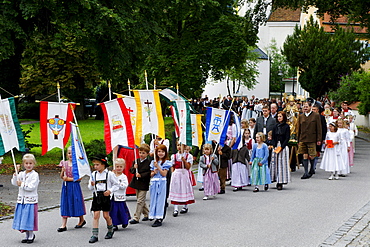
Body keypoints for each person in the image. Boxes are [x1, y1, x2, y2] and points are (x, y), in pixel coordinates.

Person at [88, 155, 119, 243]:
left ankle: (110, 229)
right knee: (96, 215)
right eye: (94, 165)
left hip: (105, 196)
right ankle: (95, 235)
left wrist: (110, 190)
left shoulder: (109, 174)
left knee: (106, 216)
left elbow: (116, 185)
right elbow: (90, 188)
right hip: (97, 196)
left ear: (103, 165)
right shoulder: (93, 174)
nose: (95, 167)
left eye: (97, 165)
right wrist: (92, 185)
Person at [11, 154, 39, 244]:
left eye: (30, 163)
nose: (28, 165)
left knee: (29, 218)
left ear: (34, 164)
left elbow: (31, 187)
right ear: (24, 164)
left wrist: (22, 184)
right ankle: (26, 235)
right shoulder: (21, 174)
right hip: (21, 200)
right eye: (26, 163)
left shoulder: (35, 175)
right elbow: (15, 183)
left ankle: (31, 235)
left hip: (30, 200)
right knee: (23, 218)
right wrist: (16, 174)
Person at [57, 147, 86, 232]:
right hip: (66, 187)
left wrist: (69, 179)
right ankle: (64, 224)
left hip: (75, 186)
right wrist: (63, 171)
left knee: (77, 201)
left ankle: (81, 219)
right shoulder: (64, 163)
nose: (70, 155)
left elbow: (79, 178)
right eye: (69, 153)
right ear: (66, 154)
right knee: (65, 202)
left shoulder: (77, 164)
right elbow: (62, 177)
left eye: (72, 153)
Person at [296, 101, 322, 179]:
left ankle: (312, 169)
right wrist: (298, 140)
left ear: (310, 107)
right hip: (303, 138)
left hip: (312, 138)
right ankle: (306, 172)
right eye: (304, 106)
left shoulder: (316, 116)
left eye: (307, 106)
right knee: (304, 154)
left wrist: (319, 139)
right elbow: (299, 128)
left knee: (312, 155)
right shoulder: (301, 116)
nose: (305, 108)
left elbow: (319, 128)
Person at [148, 144, 172, 227]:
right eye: (159, 151)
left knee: (160, 200)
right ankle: (153, 214)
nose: (160, 153)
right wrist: (153, 172)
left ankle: (159, 217)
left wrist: (158, 167)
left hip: (162, 183)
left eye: (162, 151)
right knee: (153, 199)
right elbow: (151, 174)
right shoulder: (153, 162)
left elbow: (164, 174)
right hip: (154, 183)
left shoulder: (166, 162)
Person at [169, 143, 195, 217]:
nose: (179, 147)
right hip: (177, 173)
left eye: (181, 145)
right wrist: (173, 173)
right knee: (176, 189)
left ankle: (185, 206)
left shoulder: (188, 156)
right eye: (178, 145)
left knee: (184, 189)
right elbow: (172, 166)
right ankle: (175, 208)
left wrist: (184, 161)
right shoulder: (174, 156)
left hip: (184, 173)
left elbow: (188, 167)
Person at [129, 144, 151, 224]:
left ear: (147, 154)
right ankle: (147, 214)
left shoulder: (149, 162)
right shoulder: (136, 161)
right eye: (140, 152)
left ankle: (136, 217)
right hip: (136, 183)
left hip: (144, 184)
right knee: (141, 201)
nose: (141, 154)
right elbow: (131, 171)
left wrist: (141, 175)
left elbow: (149, 173)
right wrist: (134, 168)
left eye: (143, 153)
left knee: (140, 201)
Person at [270, 112, 291, 190]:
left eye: (280, 116)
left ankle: (281, 182)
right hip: (276, 146)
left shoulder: (286, 126)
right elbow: (273, 137)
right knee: (274, 163)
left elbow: (287, 138)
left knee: (282, 164)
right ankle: (274, 178)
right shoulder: (275, 126)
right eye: (278, 116)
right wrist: (274, 145)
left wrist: (282, 147)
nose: (279, 118)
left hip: (283, 147)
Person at [110, 158, 131, 231]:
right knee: (113, 211)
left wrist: (118, 184)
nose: (118, 168)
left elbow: (124, 185)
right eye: (117, 166)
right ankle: (114, 224)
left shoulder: (123, 177)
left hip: (120, 196)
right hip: (112, 196)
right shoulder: (111, 175)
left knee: (121, 210)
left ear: (123, 167)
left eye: (120, 167)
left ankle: (124, 221)